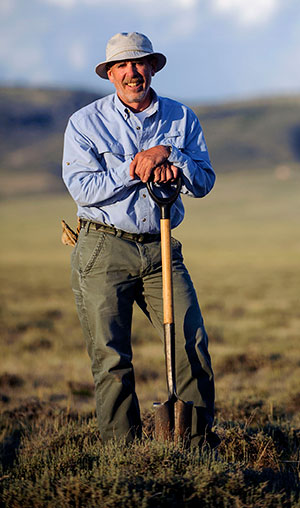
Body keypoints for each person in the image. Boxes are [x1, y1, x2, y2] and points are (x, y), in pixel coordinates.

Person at [62, 32, 219, 448]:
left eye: (140, 63)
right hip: (103, 245)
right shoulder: (85, 123)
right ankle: (124, 453)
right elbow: (83, 188)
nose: (132, 73)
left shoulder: (181, 118)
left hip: (160, 244)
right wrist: (136, 167)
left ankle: (195, 445)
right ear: (111, 74)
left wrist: (171, 154)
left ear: (153, 67)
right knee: (112, 357)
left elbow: (203, 182)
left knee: (192, 343)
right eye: (122, 66)